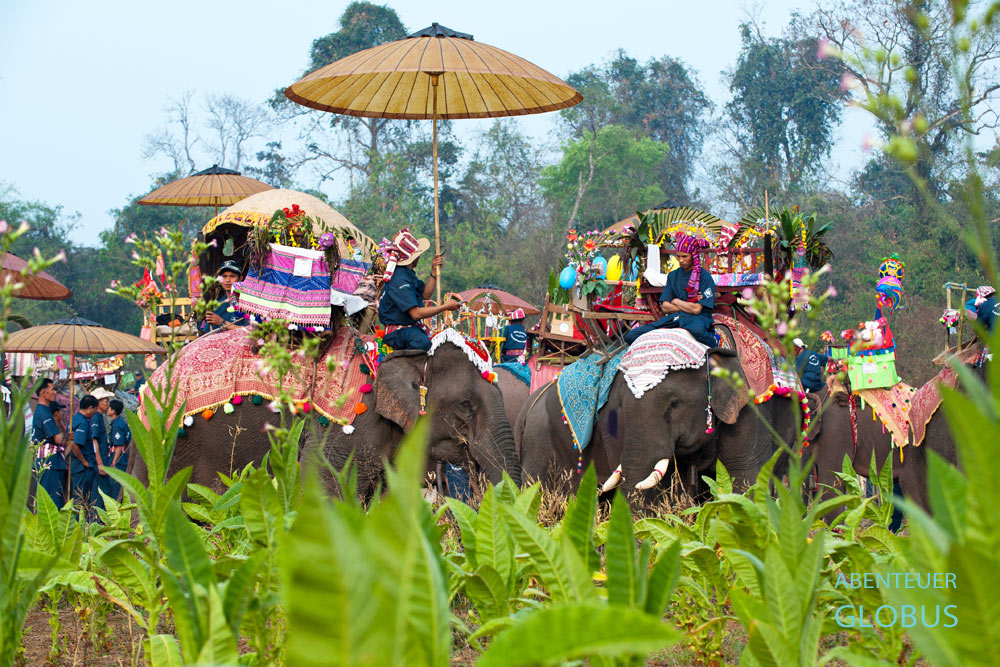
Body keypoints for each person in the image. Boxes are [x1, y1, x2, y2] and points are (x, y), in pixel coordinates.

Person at [624, 234, 717, 348]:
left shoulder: (705, 277)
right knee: (632, 335)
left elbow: (697, 309)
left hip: (697, 318)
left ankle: (717, 351)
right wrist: (688, 306)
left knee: (697, 331)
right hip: (676, 317)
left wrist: (676, 301)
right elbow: (665, 307)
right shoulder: (673, 276)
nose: (680, 260)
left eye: (684, 256)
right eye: (678, 256)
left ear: (693, 256)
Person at [379, 228, 461, 351]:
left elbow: (426, 294)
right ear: (413, 257)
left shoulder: (408, 274)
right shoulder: (399, 278)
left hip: (411, 328)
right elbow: (416, 313)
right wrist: (445, 307)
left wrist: (434, 270)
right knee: (422, 342)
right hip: (397, 332)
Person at [31, 379, 66, 508]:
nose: (54, 392)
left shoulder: (42, 411)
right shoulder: (43, 413)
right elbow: (57, 439)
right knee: (51, 499)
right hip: (48, 461)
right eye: (52, 389)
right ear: (44, 392)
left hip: (47, 461)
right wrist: (63, 436)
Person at [200, 260, 248, 333]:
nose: (228, 280)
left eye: (232, 276)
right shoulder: (218, 305)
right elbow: (207, 332)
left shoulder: (247, 303)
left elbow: (250, 331)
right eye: (224, 276)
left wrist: (222, 323)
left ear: (240, 278)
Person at [88, 389, 115, 510]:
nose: (108, 403)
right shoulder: (95, 418)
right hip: (100, 463)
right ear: (98, 402)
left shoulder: (100, 417)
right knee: (102, 493)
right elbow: (94, 441)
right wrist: (100, 464)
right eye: (105, 400)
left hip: (104, 460)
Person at [69, 396, 97, 508]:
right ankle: (79, 522)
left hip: (76, 465)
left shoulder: (74, 419)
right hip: (82, 466)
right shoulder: (83, 423)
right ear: (90, 408)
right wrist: (84, 461)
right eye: (95, 409)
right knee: (81, 497)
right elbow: (76, 445)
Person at [108, 399, 131, 501]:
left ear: (113, 411)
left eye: (109, 407)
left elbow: (119, 445)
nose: (107, 409)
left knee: (115, 486)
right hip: (123, 458)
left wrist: (114, 462)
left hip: (119, 459)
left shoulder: (117, 425)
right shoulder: (120, 422)